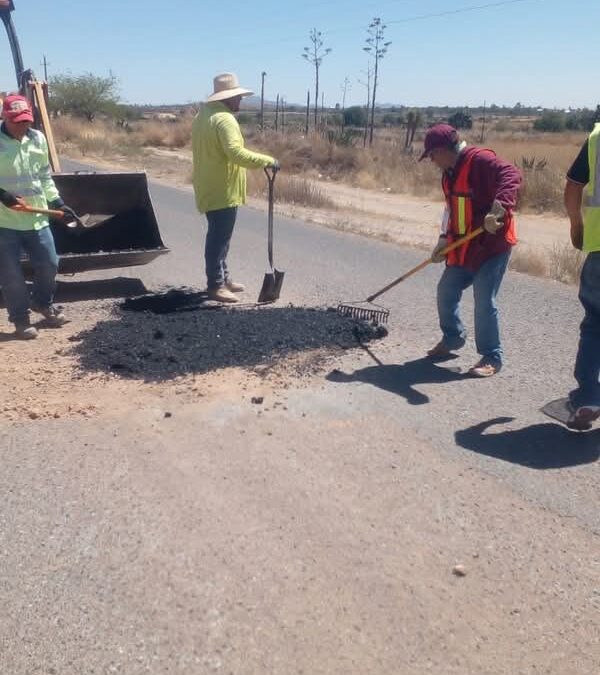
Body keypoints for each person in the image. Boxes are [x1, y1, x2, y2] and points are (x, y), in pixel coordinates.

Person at [420, 124, 521, 377]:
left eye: (432, 154)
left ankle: (492, 357)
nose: (431, 160)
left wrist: (499, 208)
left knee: (484, 299)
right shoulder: (449, 174)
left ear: (443, 150)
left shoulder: (480, 160)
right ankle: (453, 338)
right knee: (446, 290)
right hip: (464, 246)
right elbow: (451, 209)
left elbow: (511, 174)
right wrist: (443, 239)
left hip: (491, 246)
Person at [192, 72, 279, 304]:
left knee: (221, 236)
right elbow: (236, 154)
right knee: (218, 238)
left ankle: (224, 278)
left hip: (208, 185)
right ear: (227, 98)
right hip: (223, 188)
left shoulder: (203, 116)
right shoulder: (224, 119)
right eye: (237, 97)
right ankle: (216, 285)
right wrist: (268, 161)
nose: (240, 100)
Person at [0, 94, 77, 339]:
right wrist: (2, 195)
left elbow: (44, 176)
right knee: (11, 275)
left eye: (25, 121)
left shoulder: (38, 139)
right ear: (4, 117)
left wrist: (58, 203)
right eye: (16, 122)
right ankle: (20, 320)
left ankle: (42, 303)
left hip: (37, 218)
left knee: (50, 263)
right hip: (4, 222)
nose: (22, 126)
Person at [563, 125, 600, 430]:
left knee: (595, 325)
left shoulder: (598, 138)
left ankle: (588, 397)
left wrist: (576, 226)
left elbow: (574, 187)